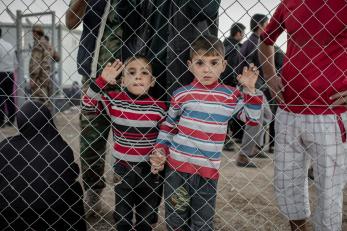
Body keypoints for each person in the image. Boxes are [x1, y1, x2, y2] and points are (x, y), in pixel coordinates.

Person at [150, 35, 263, 231]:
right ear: (190, 65)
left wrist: (250, 90)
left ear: (223, 65)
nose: (207, 69)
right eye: (200, 63)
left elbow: (252, 119)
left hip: (207, 174)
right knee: (176, 221)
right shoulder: (181, 94)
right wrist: (160, 151)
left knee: (202, 223)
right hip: (177, 170)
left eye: (214, 62)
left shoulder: (230, 95)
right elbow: (169, 127)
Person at [258, 0, 347, 230]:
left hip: (330, 114)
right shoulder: (290, 2)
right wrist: (270, 76)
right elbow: (266, 40)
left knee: (329, 189)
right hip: (289, 110)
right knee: (288, 184)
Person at [82, 56, 167, 230]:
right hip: (122, 168)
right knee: (122, 217)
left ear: (152, 82)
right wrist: (102, 81)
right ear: (122, 80)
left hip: (149, 171)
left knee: (146, 217)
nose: (138, 77)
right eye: (132, 72)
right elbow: (87, 106)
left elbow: (167, 135)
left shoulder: (159, 107)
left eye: (144, 73)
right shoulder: (114, 100)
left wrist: (162, 152)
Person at [65, 0, 123, 216]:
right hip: (94, 75)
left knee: (130, 139)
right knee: (91, 138)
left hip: (129, 78)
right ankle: (92, 191)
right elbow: (70, 22)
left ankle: (126, 197)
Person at [0, 101, 86, 231]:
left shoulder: (6, 146)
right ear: (47, 119)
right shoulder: (59, 148)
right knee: (74, 189)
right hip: (51, 217)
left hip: (10, 217)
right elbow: (70, 174)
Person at [236, 14, 272, 168]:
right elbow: (251, 63)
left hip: (256, 84)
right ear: (260, 25)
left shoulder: (251, 41)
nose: (269, 25)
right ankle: (244, 155)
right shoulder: (256, 41)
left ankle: (255, 146)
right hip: (251, 84)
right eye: (267, 23)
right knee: (255, 118)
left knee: (267, 115)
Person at [221, 22, 246, 151]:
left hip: (220, 82)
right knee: (228, 113)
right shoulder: (235, 48)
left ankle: (224, 138)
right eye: (243, 33)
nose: (243, 36)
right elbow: (231, 68)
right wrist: (235, 82)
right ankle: (224, 139)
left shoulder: (224, 45)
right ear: (238, 33)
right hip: (228, 84)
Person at [29, 24, 54, 111]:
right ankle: (47, 119)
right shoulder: (47, 44)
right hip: (47, 76)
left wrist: (33, 78)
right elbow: (57, 57)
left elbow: (35, 63)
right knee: (45, 101)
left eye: (32, 32)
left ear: (35, 33)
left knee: (39, 103)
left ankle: (40, 122)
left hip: (38, 79)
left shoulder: (38, 44)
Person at [0, 28, 17, 127]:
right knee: (9, 97)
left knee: (0, 97)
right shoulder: (9, 45)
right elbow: (16, 63)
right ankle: (11, 119)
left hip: (0, 73)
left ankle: (1, 121)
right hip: (10, 73)